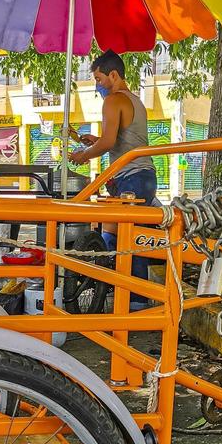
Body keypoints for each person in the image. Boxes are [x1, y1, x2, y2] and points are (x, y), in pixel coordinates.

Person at [69, 49, 156, 309]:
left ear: (113, 75)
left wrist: (84, 155)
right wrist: (93, 141)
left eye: (98, 79)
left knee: (129, 238)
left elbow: (108, 143)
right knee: (123, 234)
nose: (97, 86)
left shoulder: (113, 100)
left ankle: (135, 303)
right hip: (141, 174)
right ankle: (127, 296)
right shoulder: (135, 101)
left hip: (132, 176)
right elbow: (118, 140)